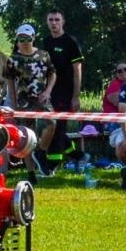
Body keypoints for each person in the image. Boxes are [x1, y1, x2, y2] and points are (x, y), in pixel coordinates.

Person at [4, 22, 55, 175]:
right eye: (21, 39)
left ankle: (40, 152)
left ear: (33, 38)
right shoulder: (13, 59)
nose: (25, 42)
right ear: (17, 40)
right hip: (23, 100)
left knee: (52, 124)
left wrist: (48, 91)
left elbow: (52, 73)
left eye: (27, 38)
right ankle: (31, 172)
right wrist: (13, 106)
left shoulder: (43, 55)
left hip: (42, 98)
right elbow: (10, 83)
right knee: (27, 135)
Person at [40, 10, 83, 164]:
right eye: (50, 19)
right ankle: (78, 155)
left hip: (66, 92)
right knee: (51, 127)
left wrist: (76, 96)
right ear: (47, 22)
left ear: (63, 21)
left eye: (57, 19)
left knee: (58, 127)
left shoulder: (70, 42)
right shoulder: (45, 42)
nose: (54, 23)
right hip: (47, 92)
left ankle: (52, 165)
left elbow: (77, 70)